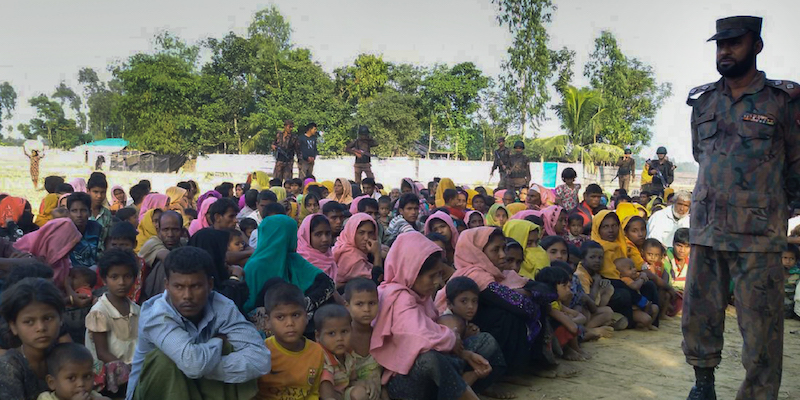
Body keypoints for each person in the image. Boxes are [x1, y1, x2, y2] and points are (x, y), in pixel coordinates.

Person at [682, 16, 800, 400]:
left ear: (757, 46)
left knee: (762, 329)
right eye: (720, 45)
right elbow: (702, 155)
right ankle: (703, 385)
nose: (725, 51)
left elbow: (797, 167)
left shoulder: (783, 101)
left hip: (758, 235)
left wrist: (773, 210)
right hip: (706, 228)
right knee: (700, 315)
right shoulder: (703, 101)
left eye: (734, 43)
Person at [126, 246, 270, 400]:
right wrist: (217, 341)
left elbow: (261, 360)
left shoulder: (222, 307)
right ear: (167, 285)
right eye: (179, 287)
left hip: (198, 387)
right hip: (153, 393)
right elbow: (193, 365)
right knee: (165, 360)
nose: (187, 296)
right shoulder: (156, 315)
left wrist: (202, 366)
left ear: (210, 285)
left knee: (225, 350)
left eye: (195, 286)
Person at [371, 231, 494, 400]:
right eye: (431, 276)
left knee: (484, 341)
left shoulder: (421, 295)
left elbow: (433, 327)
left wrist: (463, 351)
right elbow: (419, 336)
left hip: (435, 365)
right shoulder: (398, 297)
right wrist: (451, 338)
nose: (437, 281)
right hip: (403, 381)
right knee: (430, 359)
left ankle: (462, 385)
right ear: (411, 272)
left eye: (439, 274)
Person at [243, 214, 336, 323]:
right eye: (293, 234)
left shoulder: (293, 259)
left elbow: (327, 283)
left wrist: (302, 305)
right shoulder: (255, 267)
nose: (296, 239)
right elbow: (247, 307)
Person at [255, 283, 326, 400]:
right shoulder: (262, 351)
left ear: (307, 316)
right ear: (268, 321)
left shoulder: (316, 351)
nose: (290, 323)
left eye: (296, 315)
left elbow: (314, 393)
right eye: (280, 317)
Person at [85, 249, 140, 394]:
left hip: (135, 368)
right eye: (114, 277)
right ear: (104, 279)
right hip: (110, 374)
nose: (121, 282)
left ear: (134, 278)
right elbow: (102, 352)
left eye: (127, 276)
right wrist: (128, 370)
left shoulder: (137, 310)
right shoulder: (100, 311)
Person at [0, 278, 65, 400]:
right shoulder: (9, 368)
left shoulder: (67, 356)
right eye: (29, 322)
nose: (41, 328)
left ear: (60, 318)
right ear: (13, 326)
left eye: (48, 318)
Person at [343, 278, 384, 400]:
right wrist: (357, 383)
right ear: (347, 306)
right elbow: (334, 375)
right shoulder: (343, 337)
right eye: (359, 304)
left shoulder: (380, 335)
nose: (366, 309)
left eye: (372, 303)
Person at [138, 211, 184, 302]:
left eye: (175, 230)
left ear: (182, 231)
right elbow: (169, 258)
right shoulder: (152, 243)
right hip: (148, 294)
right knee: (165, 265)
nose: (170, 235)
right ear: (158, 231)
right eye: (165, 230)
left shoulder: (181, 244)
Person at [333, 214, 382, 288]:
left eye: (370, 233)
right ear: (351, 233)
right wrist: (377, 254)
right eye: (361, 233)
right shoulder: (351, 257)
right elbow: (375, 282)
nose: (366, 238)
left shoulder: (343, 243)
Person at [65, 193, 101, 269]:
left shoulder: (97, 229)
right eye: (74, 211)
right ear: (68, 213)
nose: (79, 215)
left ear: (90, 212)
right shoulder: (63, 233)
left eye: (83, 210)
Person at [297, 214, 337, 280]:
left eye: (328, 233)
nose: (325, 239)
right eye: (318, 234)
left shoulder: (329, 259)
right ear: (306, 236)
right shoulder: (300, 262)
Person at [87, 173, 112, 252]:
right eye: (95, 192)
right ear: (88, 191)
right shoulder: (81, 212)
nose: (99, 196)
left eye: (103, 192)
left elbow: (108, 239)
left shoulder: (107, 213)